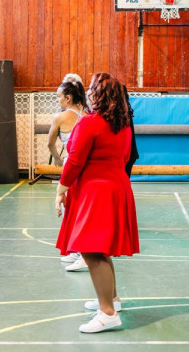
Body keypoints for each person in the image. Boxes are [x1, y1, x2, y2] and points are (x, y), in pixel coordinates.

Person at [55, 72, 139, 333]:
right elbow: (126, 156)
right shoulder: (123, 124)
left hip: (96, 191)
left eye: (92, 88)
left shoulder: (90, 122)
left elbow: (75, 160)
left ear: (98, 94)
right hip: (117, 187)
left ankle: (108, 312)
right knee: (100, 248)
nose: (88, 92)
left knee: (91, 249)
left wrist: (61, 189)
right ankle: (111, 300)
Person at [47, 76, 89, 272]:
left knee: (69, 207)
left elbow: (50, 142)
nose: (58, 100)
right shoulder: (88, 114)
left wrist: (56, 157)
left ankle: (80, 252)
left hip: (71, 165)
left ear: (69, 97)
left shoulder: (60, 117)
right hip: (87, 168)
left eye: (59, 97)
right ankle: (77, 250)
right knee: (81, 208)